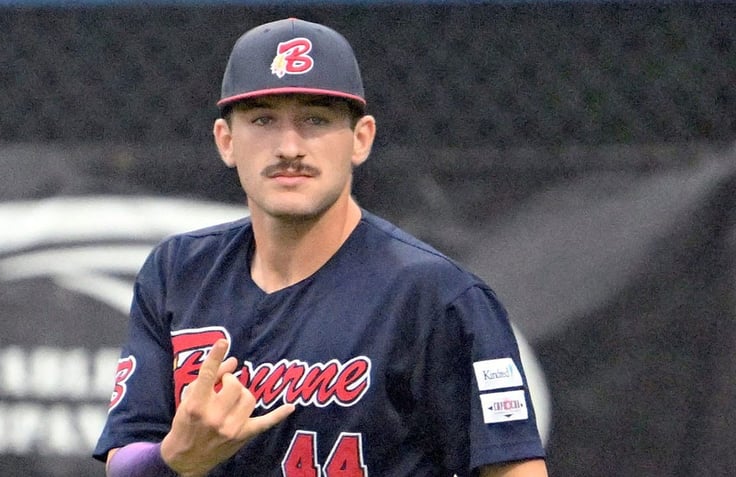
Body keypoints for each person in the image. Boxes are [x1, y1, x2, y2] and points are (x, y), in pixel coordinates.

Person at [93, 17, 548, 477]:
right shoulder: (177, 273)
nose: (290, 146)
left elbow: (514, 470)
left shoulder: (438, 297)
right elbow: (125, 461)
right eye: (263, 119)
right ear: (226, 141)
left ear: (361, 138)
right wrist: (175, 459)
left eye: (316, 119)